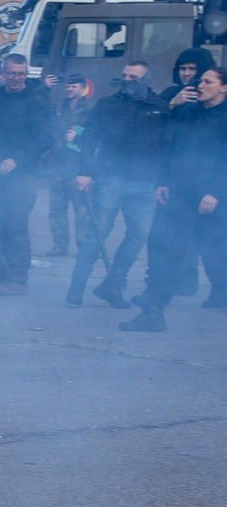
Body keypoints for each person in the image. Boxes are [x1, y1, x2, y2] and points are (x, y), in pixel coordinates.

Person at [120, 66, 227, 332]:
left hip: (211, 199)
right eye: (200, 80)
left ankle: (221, 292)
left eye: (208, 81)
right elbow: (170, 146)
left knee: (217, 254)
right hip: (179, 194)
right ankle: (153, 311)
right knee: (163, 249)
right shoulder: (187, 112)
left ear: (224, 87)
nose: (199, 84)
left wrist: (216, 191)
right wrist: (163, 181)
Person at [70, 61, 163, 308]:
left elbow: (167, 145)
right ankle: (76, 286)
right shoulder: (107, 105)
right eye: (124, 75)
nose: (127, 80)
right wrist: (85, 172)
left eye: (133, 76)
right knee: (97, 234)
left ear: (145, 80)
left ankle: (113, 285)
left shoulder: (158, 107)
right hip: (111, 178)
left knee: (137, 236)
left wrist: (164, 181)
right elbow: (88, 139)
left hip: (145, 183)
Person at [0, 54, 51, 294]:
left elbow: (46, 138)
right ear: (2, 73)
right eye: (12, 73)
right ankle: (0, 274)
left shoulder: (39, 102)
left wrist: (17, 159)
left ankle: (17, 279)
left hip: (23, 172)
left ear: (26, 74)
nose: (16, 77)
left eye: (21, 73)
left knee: (15, 225)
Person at [44, 75, 93, 260]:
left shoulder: (89, 110)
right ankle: (59, 245)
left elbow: (94, 136)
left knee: (82, 211)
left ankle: (83, 247)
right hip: (56, 165)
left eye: (74, 86)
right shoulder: (58, 108)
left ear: (83, 88)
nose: (69, 89)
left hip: (77, 165)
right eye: (68, 86)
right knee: (56, 209)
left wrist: (78, 137)